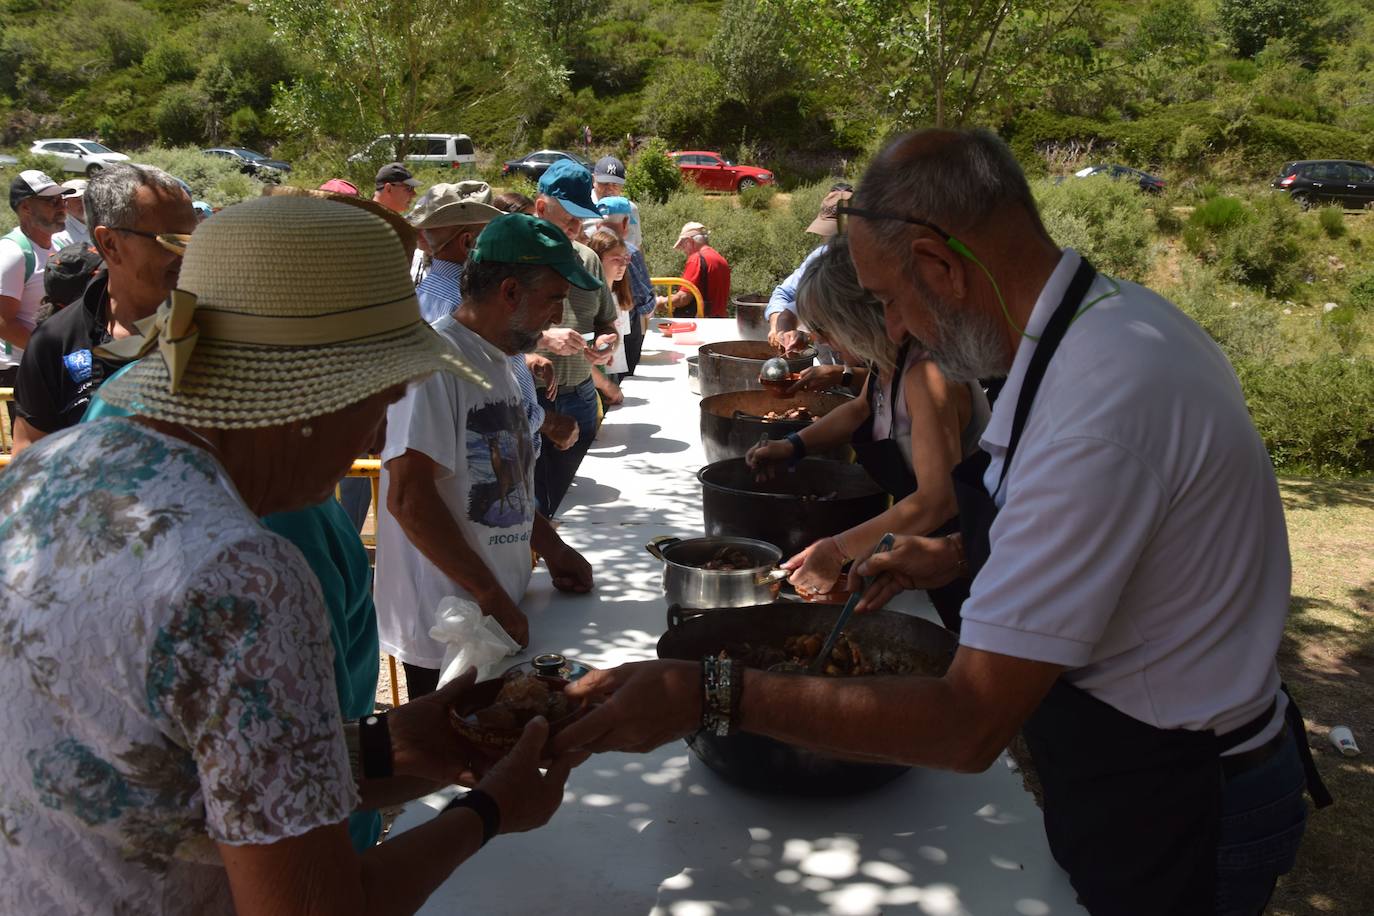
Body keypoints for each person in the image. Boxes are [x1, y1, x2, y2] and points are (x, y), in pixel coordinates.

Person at [553, 128, 1329, 916]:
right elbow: (1126, 541)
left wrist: (708, 694)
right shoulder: (1108, 321)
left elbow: (966, 723)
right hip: (1138, 765)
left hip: (1180, 794)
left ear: (939, 266)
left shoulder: (1101, 404)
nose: (889, 331)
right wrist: (955, 555)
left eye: (888, 301)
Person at [0, 194, 580, 914]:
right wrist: (490, 810)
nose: (376, 442)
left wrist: (376, 747)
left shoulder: (50, 465)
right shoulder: (246, 579)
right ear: (309, 399)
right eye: (378, 400)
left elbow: (154, 759)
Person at [376, 213, 597, 698]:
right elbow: (408, 499)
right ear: (511, 292)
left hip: (493, 612)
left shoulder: (500, 361)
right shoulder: (435, 363)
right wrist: (489, 593)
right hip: (448, 628)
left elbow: (509, 483)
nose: (557, 317)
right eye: (554, 299)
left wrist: (552, 547)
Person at [746, 237, 988, 628]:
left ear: (857, 318)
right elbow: (860, 409)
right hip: (925, 545)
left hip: (968, 554)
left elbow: (938, 500)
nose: (821, 340)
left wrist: (837, 549)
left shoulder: (927, 372)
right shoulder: (889, 360)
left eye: (825, 329)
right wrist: (792, 446)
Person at [11, 164, 193, 452]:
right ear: (110, 243)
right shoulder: (55, 342)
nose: (188, 253)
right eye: (173, 240)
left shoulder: (224, 328)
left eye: (195, 239)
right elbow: (29, 451)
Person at [531, 158, 619, 516]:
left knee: (577, 513)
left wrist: (604, 343)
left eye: (582, 217)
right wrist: (543, 339)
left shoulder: (587, 259)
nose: (577, 226)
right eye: (569, 217)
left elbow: (606, 322)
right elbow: (485, 333)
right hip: (532, 401)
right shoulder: (514, 259)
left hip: (582, 395)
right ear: (540, 207)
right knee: (534, 507)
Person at [2, 171, 75, 421]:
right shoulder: (12, 253)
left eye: (62, 200)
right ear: (25, 208)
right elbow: (3, 323)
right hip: (22, 368)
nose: (61, 206)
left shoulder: (59, 247)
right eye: (51, 201)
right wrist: (50, 354)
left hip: (55, 365)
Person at [767, 182, 852, 354]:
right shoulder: (819, 258)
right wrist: (780, 329)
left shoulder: (878, 270)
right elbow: (784, 295)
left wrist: (809, 336)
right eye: (826, 234)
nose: (830, 242)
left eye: (836, 235)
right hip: (832, 368)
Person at [595, 196, 655, 375]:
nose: (622, 264)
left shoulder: (587, 246)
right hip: (624, 333)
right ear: (626, 222)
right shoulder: (631, 251)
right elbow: (645, 303)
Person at [583, 227, 635, 406]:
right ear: (596, 259)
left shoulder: (619, 295)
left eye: (625, 259)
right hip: (593, 378)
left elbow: (618, 339)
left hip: (612, 371)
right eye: (615, 259)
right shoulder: (589, 298)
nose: (622, 265)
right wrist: (606, 385)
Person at [657, 222, 730, 317]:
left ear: (689, 241)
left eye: (683, 246)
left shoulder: (696, 259)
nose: (684, 251)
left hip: (701, 323)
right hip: (719, 319)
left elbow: (683, 298)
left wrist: (661, 302)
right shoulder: (721, 260)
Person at [591, 155, 642, 247]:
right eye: (604, 183)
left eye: (615, 184)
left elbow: (638, 246)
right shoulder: (583, 209)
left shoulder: (631, 209)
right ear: (594, 180)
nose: (610, 189)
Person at [50, 178, 90, 248]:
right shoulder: (60, 237)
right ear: (65, 203)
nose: (84, 203)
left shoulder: (104, 223)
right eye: (78, 199)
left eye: (87, 198)